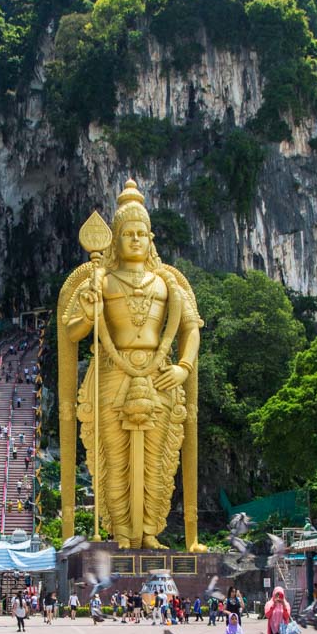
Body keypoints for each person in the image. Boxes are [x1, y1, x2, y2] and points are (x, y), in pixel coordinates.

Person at [59, 180, 203, 550]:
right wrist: (90, 312)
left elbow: (190, 328)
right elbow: (73, 331)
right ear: (115, 240)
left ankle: (151, 531)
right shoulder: (101, 280)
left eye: (142, 233)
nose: (135, 240)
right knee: (115, 458)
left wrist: (183, 367)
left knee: (157, 460)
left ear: (151, 238)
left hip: (159, 374)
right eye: (128, 234)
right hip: (112, 373)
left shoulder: (167, 282)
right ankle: (122, 532)